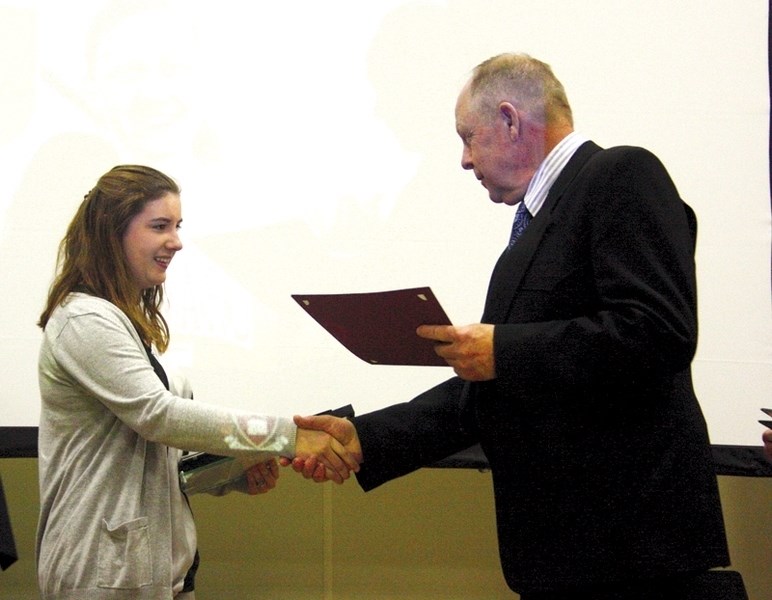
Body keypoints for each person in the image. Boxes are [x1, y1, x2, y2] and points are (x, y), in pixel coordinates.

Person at [289, 53, 733, 599]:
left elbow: (658, 332)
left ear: (510, 119)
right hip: (570, 561)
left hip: (634, 557)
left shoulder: (621, 174)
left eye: (467, 137)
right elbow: (494, 393)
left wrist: (506, 350)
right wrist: (366, 438)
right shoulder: (535, 225)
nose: (463, 160)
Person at [35, 165, 361, 600]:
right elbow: (158, 416)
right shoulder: (83, 319)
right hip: (100, 577)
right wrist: (289, 438)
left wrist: (230, 473)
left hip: (157, 578)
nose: (176, 241)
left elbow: (161, 458)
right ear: (113, 232)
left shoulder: (123, 324)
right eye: (159, 226)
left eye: (178, 226)